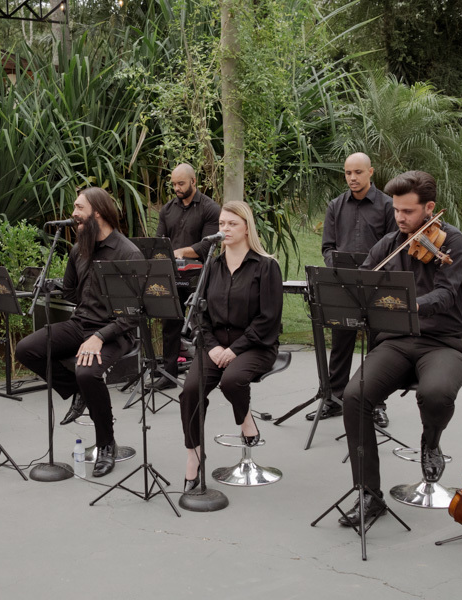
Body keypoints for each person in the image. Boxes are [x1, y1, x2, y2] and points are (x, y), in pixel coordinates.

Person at [338, 171, 462, 526]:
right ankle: (369, 495)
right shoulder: (387, 245)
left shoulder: (452, 243)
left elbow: (446, 294)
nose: (400, 218)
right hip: (397, 342)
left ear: (429, 208)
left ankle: (431, 441)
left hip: (443, 341)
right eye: (396, 210)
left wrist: (408, 303)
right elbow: (362, 283)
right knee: (355, 396)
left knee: (437, 393)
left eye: (408, 212)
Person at [14, 187, 143, 478]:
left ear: (97, 211)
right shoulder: (78, 250)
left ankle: (106, 444)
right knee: (27, 349)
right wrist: (50, 285)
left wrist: (99, 337)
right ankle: (76, 391)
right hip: (80, 324)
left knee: (88, 372)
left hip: (115, 331)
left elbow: (133, 313)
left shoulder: (127, 252)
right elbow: (73, 293)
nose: (73, 214)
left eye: (78, 208)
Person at [179, 200, 283, 493]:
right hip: (214, 346)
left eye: (232, 224)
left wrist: (235, 349)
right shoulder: (213, 265)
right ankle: (194, 456)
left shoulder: (266, 266)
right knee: (190, 392)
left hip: (255, 345)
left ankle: (246, 419)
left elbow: (268, 319)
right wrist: (211, 346)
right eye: (222, 224)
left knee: (232, 381)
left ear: (247, 228)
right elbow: (200, 313)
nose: (224, 229)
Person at [307, 153, 397, 427]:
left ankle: (377, 404)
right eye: (348, 173)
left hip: (378, 285)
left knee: (378, 345)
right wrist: (337, 267)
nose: (352, 178)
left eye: (358, 172)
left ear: (371, 172)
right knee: (341, 341)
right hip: (343, 284)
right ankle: (335, 398)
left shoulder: (387, 205)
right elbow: (327, 247)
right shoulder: (336, 205)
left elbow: (395, 247)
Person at [154, 163, 221, 390]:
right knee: (170, 324)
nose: (176, 188)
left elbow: (208, 245)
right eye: (173, 184)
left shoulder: (210, 208)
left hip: (198, 276)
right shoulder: (167, 210)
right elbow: (159, 242)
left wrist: (182, 251)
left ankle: (205, 373)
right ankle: (168, 375)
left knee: (200, 323)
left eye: (181, 183)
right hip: (172, 275)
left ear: (194, 181)